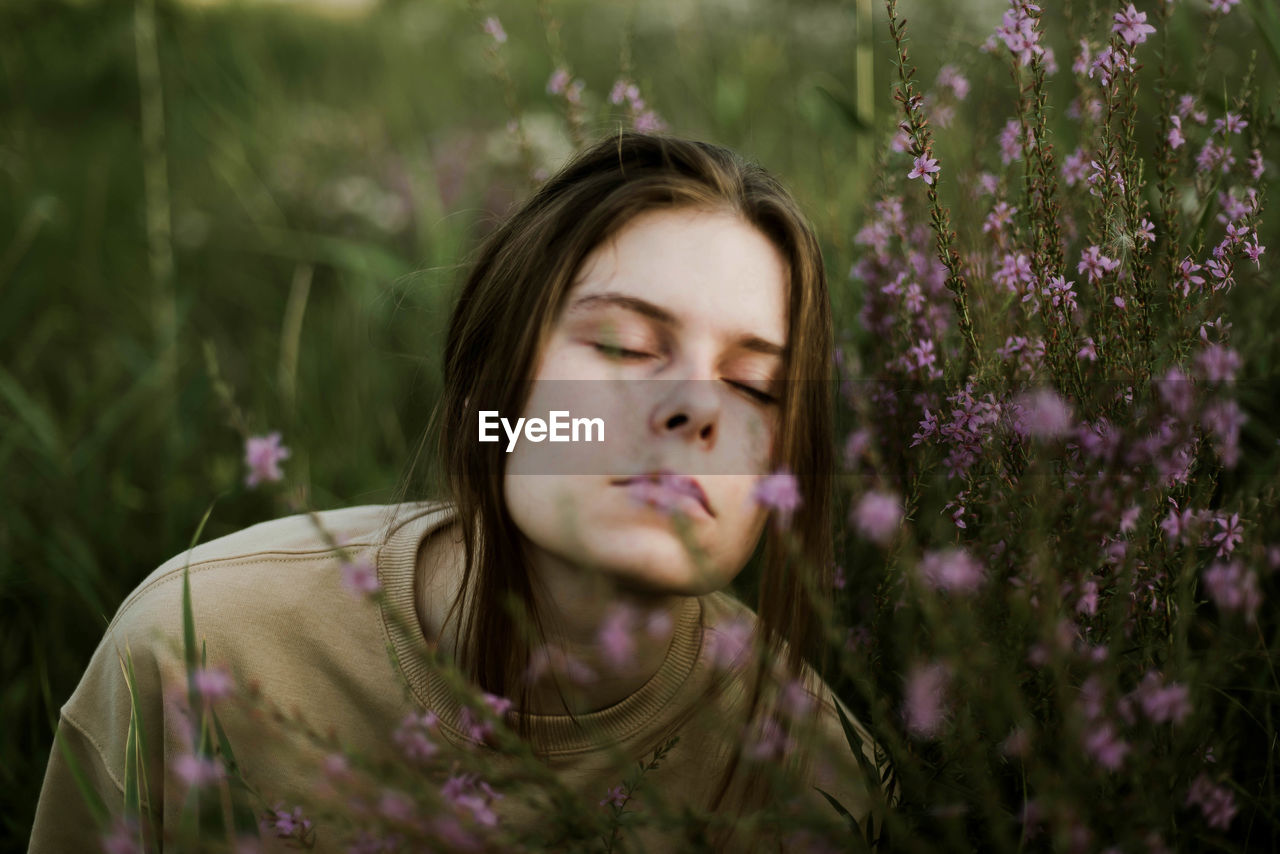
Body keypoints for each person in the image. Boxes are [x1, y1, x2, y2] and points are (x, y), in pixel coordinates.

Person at [30, 132, 893, 852]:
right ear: (494, 398)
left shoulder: (814, 776)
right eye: (627, 346)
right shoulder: (196, 649)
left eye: (754, 387)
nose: (696, 407)